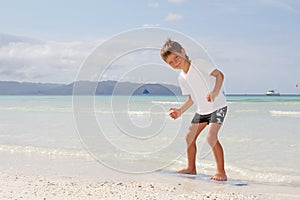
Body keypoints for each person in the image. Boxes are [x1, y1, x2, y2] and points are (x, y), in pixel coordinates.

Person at [160, 39, 228, 181]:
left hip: (218, 107)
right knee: (189, 136)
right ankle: (191, 168)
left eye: (176, 58)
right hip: (203, 110)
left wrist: (215, 92)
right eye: (170, 62)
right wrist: (180, 111)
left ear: (183, 51)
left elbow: (219, 75)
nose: (175, 63)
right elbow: (192, 97)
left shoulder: (198, 64)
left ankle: (221, 172)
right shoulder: (182, 78)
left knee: (211, 137)